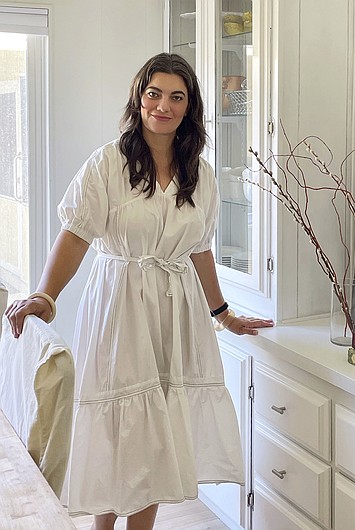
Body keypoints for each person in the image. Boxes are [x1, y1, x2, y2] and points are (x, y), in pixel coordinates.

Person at [4, 53, 273, 530]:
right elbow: (76, 233)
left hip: (176, 311)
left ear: (190, 107)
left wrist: (223, 313)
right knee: (117, 427)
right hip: (120, 303)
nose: (163, 105)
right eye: (154, 93)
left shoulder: (201, 174)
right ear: (139, 97)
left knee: (157, 434)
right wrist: (46, 295)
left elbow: (200, 250)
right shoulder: (108, 163)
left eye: (176, 96)